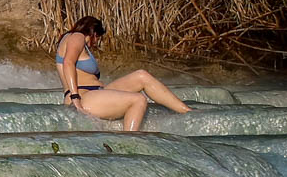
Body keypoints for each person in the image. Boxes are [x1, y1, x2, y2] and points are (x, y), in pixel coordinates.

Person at [55, 16, 193, 131]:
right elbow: (68, 63)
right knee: (138, 99)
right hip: (83, 97)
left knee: (141, 76)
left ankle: (187, 111)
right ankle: (129, 141)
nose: (96, 43)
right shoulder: (77, 36)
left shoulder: (76, 41)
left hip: (95, 93)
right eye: (97, 38)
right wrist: (75, 98)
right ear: (93, 33)